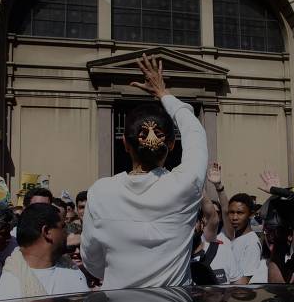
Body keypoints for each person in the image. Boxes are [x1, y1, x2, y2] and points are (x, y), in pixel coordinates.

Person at [81, 54, 208, 289]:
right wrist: (164, 94)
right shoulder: (185, 185)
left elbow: (93, 262)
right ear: (171, 145)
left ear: (125, 144)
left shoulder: (101, 191)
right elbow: (195, 133)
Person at [0, 203, 88, 300]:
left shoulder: (71, 267)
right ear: (47, 232)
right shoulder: (10, 287)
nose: (66, 232)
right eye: (63, 227)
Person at [190, 198, 242, 285]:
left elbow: (240, 289)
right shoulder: (174, 260)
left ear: (202, 223)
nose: (188, 227)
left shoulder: (223, 251)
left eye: (193, 221)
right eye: (184, 223)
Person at [227, 193, 261, 284]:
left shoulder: (251, 243)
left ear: (251, 214)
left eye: (240, 213)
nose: (234, 217)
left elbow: (244, 281)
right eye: (231, 212)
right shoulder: (229, 237)